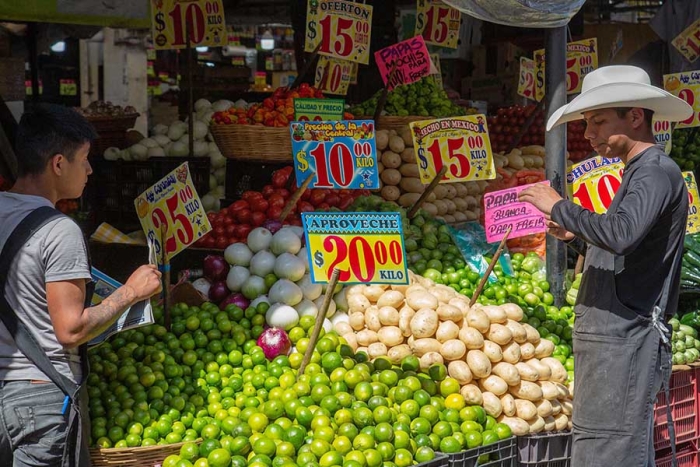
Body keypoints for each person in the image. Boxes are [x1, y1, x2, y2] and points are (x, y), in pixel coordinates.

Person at [519, 65, 694, 465]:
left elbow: (621, 234)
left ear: (635, 116)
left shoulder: (654, 172)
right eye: (586, 124)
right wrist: (577, 237)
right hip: (613, 344)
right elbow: (628, 248)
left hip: (625, 342)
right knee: (616, 448)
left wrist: (560, 207)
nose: (588, 135)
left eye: (598, 122)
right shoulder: (639, 172)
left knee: (612, 450)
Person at [0, 104, 162, 467]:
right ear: (58, 164)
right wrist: (131, 292)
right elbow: (71, 329)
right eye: (85, 159)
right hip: (39, 404)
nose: (90, 170)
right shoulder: (59, 230)